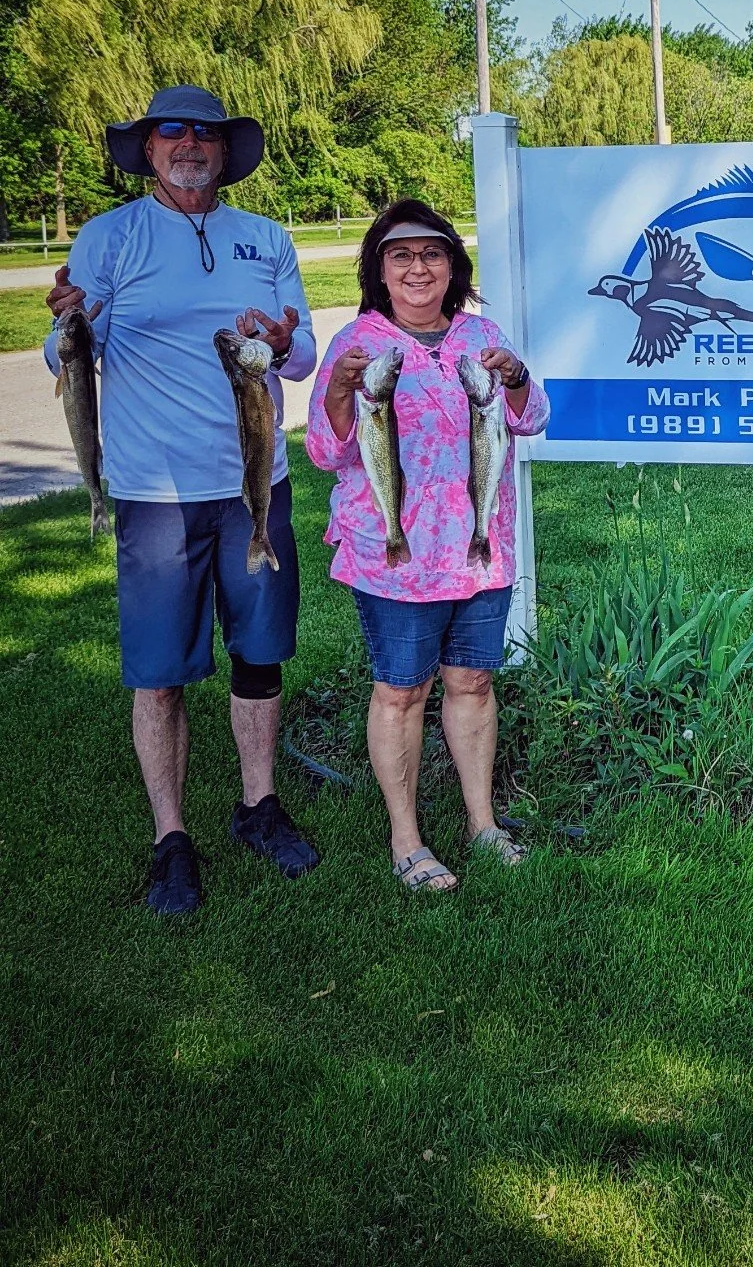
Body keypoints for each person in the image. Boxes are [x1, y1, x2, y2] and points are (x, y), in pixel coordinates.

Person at [42, 86, 319, 916]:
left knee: (260, 655)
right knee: (160, 674)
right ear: (149, 148)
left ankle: (257, 805)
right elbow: (66, 359)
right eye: (174, 131)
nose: (191, 143)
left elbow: (301, 355)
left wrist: (282, 341)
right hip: (154, 491)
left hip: (253, 486)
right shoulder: (109, 239)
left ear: (226, 152)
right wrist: (68, 326)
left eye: (206, 132)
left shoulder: (264, 238)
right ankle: (171, 838)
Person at [305, 199, 549, 892]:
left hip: (478, 550)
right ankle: (406, 840)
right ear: (380, 270)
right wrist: (344, 395)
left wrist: (518, 378)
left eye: (432, 254)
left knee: (472, 682)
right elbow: (326, 452)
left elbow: (530, 422)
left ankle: (482, 825)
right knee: (401, 691)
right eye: (401, 255)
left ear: (453, 267)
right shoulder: (358, 342)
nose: (418, 268)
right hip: (398, 556)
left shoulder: (484, 336)